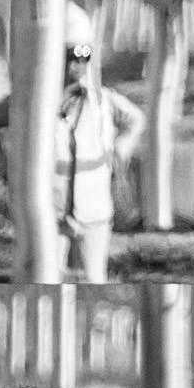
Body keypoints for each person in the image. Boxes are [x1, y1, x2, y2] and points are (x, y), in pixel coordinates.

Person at [52, 27, 141, 287]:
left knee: (94, 279)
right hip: (51, 209)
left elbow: (135, 120)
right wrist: (2, 164)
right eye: (72, 56)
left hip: (94, 208)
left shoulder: (102, 99)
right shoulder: (33, 100)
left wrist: (121, 148)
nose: (78, 64)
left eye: (85, 57)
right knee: (50, 277)